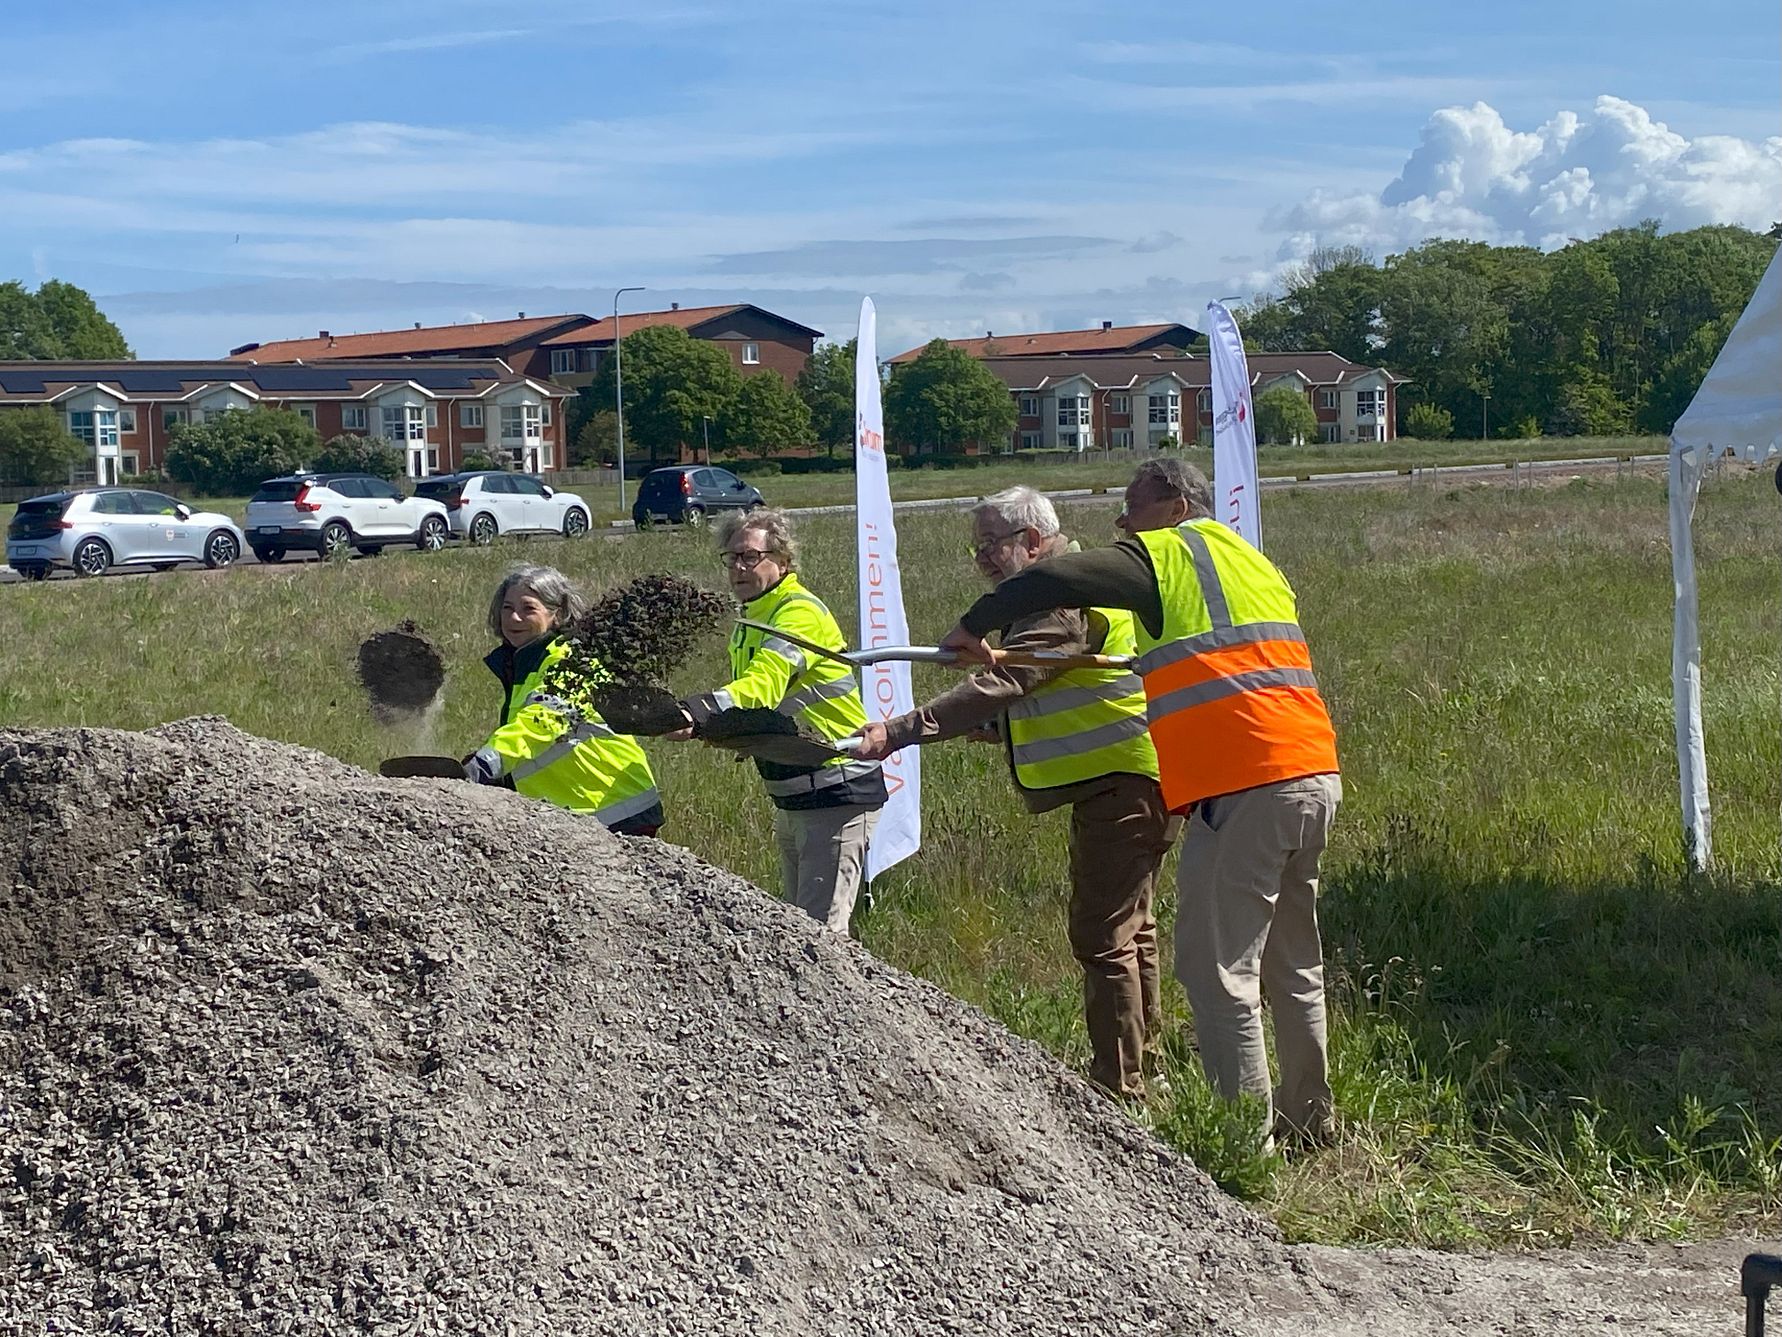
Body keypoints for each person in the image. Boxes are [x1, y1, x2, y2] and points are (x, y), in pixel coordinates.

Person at [936, 459, 1342, 1145]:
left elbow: (1052, 577)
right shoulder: (1254, 562)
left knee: (1216, 973)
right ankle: (1309, 1121)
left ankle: (1244, 1147)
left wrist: (973, 626)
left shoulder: (1169, 554)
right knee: (1292, 962)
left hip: (1244, 783)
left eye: (1133, 506)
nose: (1122, 522)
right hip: (1312, 771)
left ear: (1176, 506)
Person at [852, 487, 1176, 1100]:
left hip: (1123, 781)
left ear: (1030, 541)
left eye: (989, 545)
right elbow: (1054, 688)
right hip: (1128, 777)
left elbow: (1007, 681)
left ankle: (1119, 1089)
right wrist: (997, 727)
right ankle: (1145, 1064)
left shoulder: (1062, 596)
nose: (981, 560)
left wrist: (898, 732)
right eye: (975, 549)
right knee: (1131, 927)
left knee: (1102, 934)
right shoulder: (1071, 587)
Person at [676, 508, 887, 933]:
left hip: (836, 787)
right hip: (795, 791)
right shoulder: (752, 616)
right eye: (732, 557)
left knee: (820, 937)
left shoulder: (797, 613)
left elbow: (761, 688)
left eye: (751, 557)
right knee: (799, 930)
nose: (738, 567)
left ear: (784, 561)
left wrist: (695, 712)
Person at [464, 564, 665, 837]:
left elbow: (541, 723)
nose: (514, 618)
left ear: (556, 615)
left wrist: (486, 763)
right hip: (583, 811)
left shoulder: (571, 662)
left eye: (528, 608)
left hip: (617, 809)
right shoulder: (525, 664)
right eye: (507, 608)